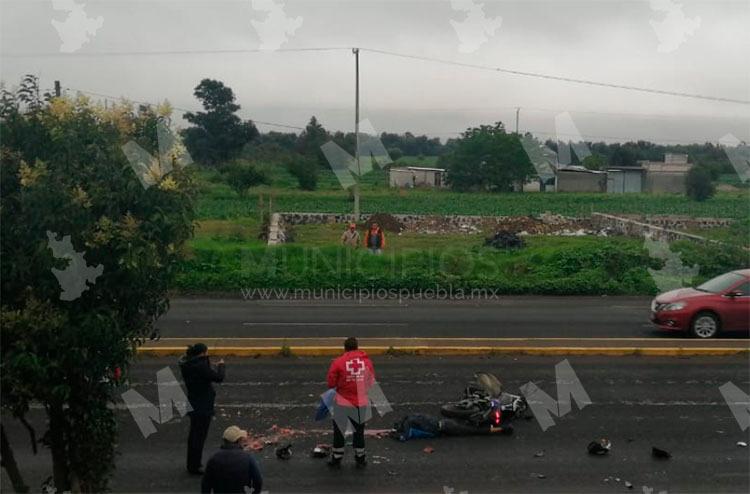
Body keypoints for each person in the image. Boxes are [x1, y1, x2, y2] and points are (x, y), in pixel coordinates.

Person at [325, 337, 375, 468]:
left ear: (345, 348)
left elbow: (331, 383)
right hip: (361, 402)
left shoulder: (338, 362)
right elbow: (370, 383)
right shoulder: (367, 362)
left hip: (342, 402)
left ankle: (337, 458)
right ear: (357, 347)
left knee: (339, 432)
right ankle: (360, 458)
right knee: (359, 432)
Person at [179, 342, 225, 475]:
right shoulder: (199, 366)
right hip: (202, 406)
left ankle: (192, 463)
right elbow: (219, 377)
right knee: (199, 437)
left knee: (194, 435)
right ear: (202, 353)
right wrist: (221, 365)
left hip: (194, 402)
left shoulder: (189, 364)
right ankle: (195, 466)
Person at [201, 426, 263, 494]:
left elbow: (206, 483)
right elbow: (258, 480)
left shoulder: (214, 458)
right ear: (239, 441)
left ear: (224, 441)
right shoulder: (247, 458)